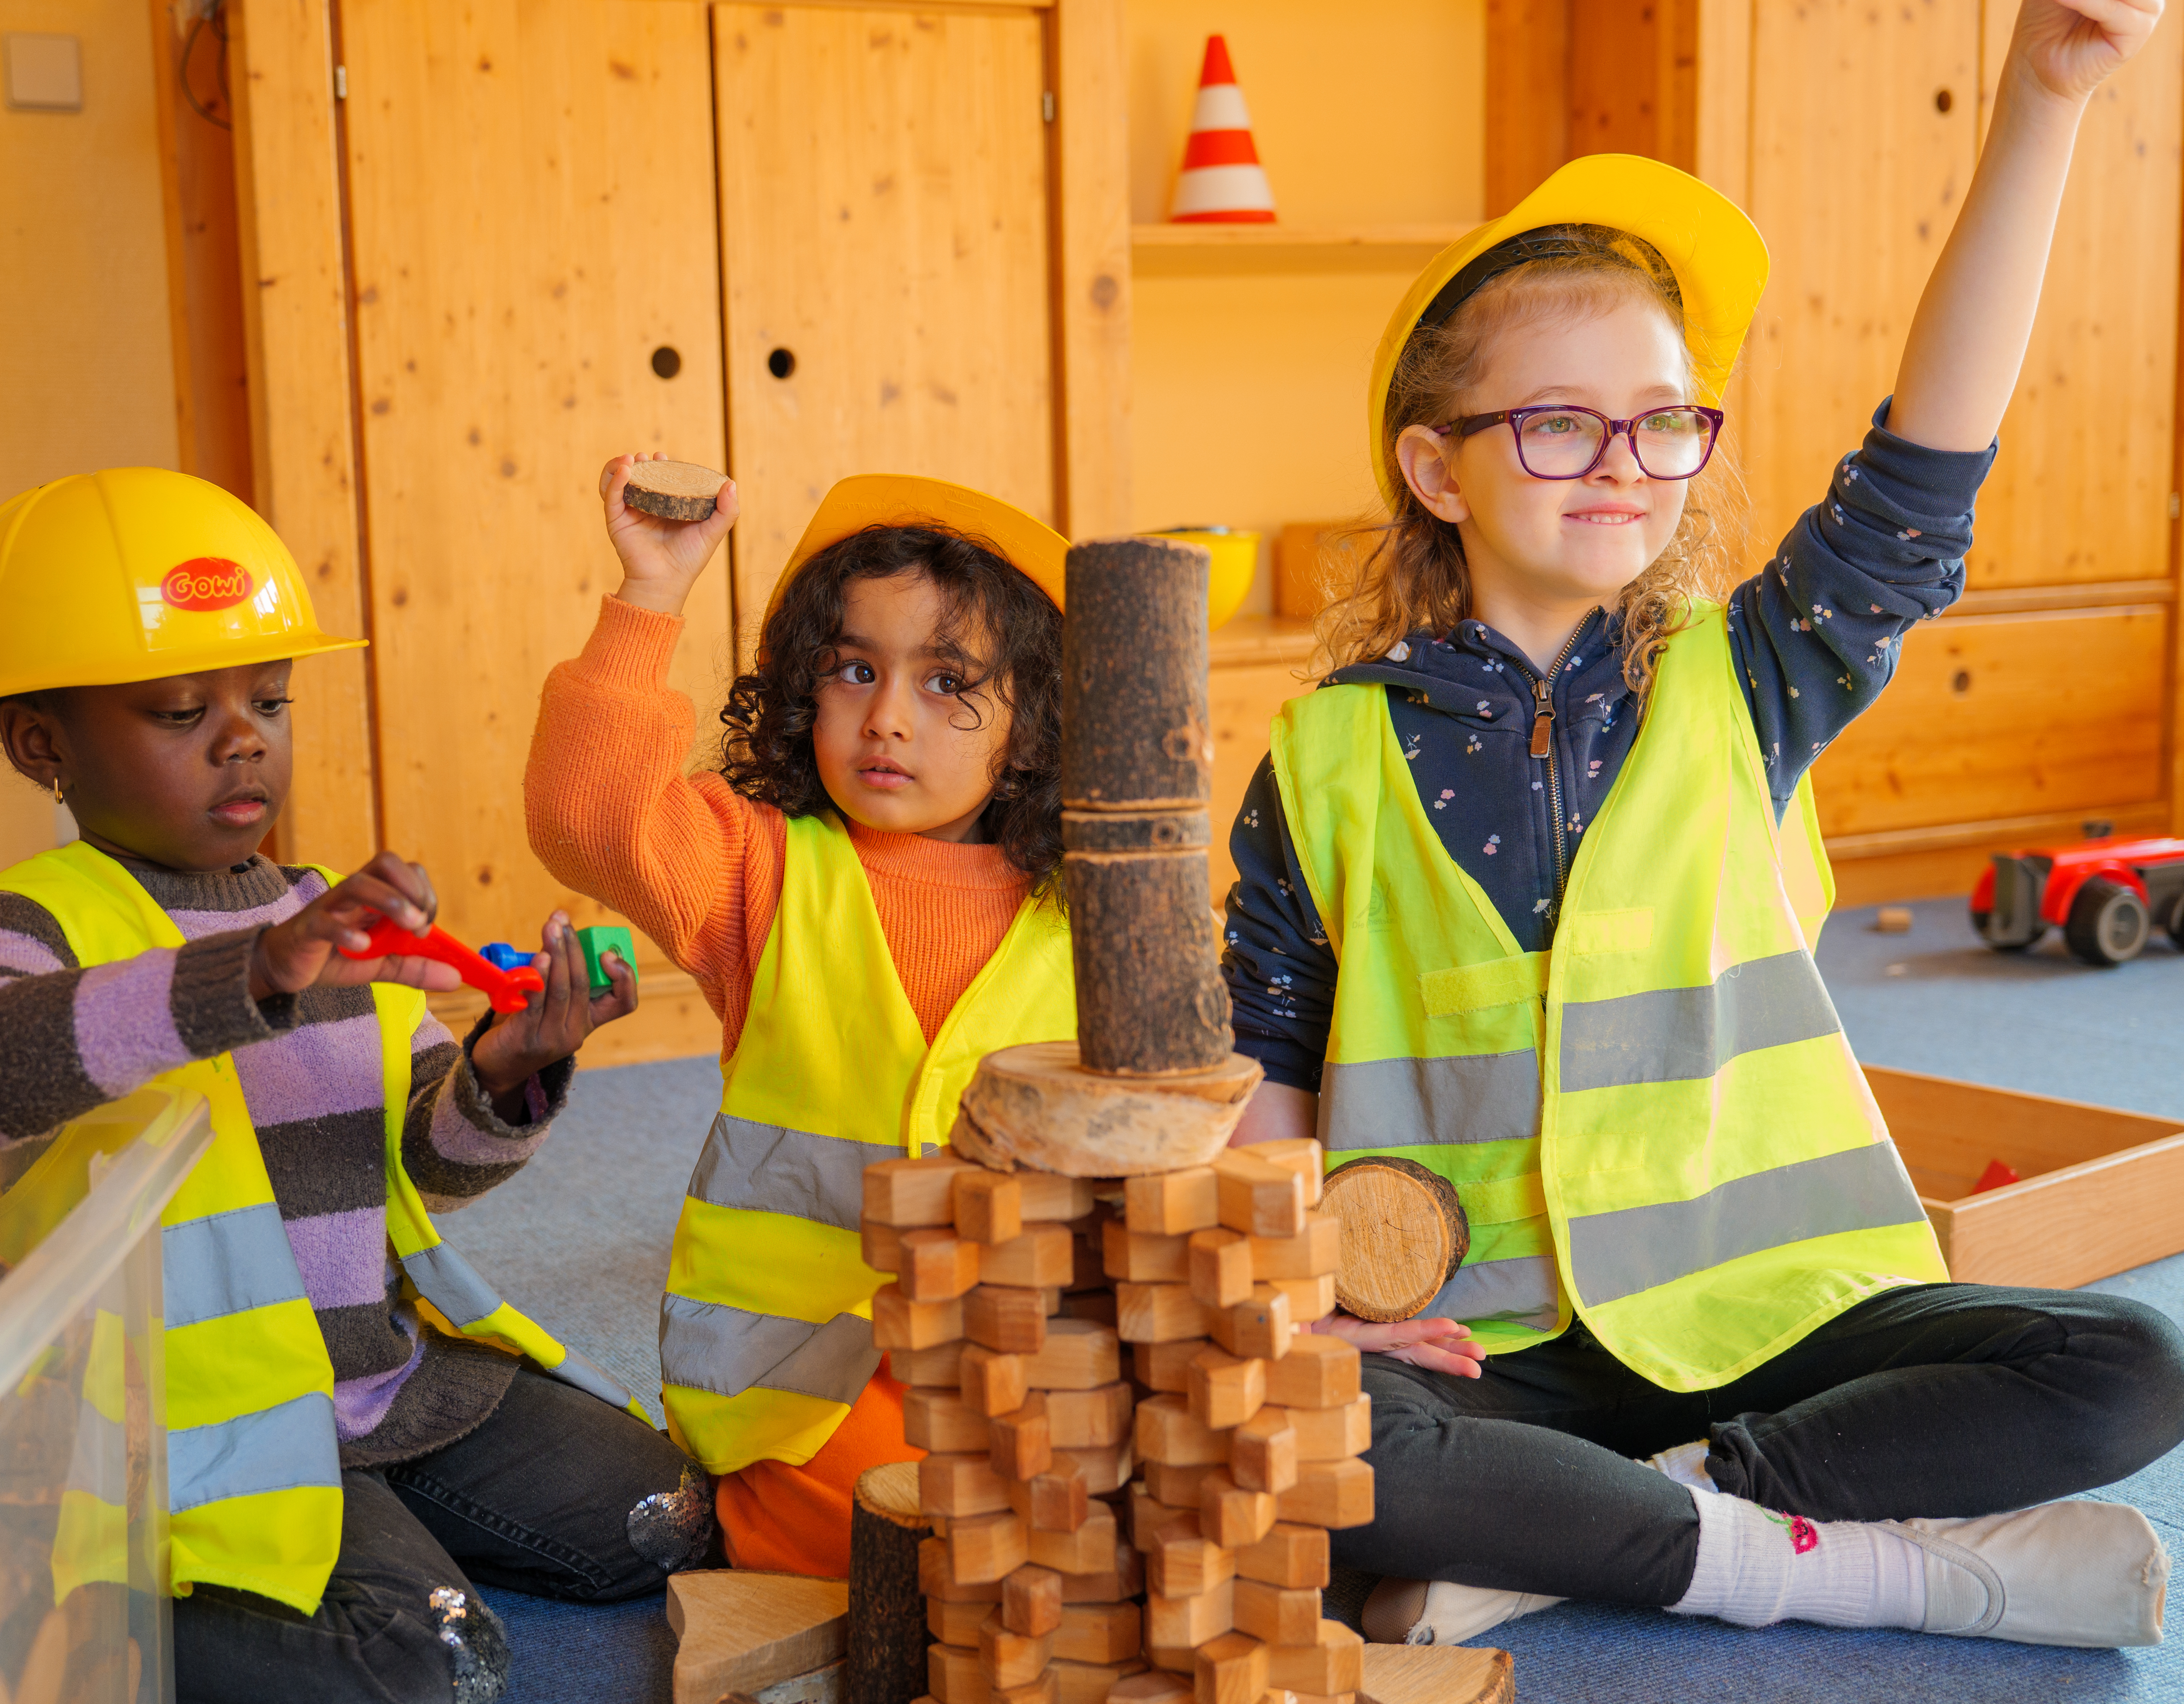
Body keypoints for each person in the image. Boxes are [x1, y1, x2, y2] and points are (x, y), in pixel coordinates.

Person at [1221, 0, 2184, 1651]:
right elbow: (1269, 1077)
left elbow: (1920, 470)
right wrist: (1304, 1303)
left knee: (2133, 1360)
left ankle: (1630, 1519)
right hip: (1484, 1343)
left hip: (1771, 1310)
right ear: (1435, 470)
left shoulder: (1745, 680)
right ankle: (1788, 1549)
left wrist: (2041, 99)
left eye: (1666, 420)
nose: (1626, 463)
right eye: (1557, 421)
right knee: (1288, 1427)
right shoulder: (1321, 758)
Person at [0, 468, 709, 1704]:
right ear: (40, 745)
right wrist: (252, 976)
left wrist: (517, 1058)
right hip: (203, 1432)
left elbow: (427, 1153)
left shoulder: (313, 905)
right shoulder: (38, 918)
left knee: (666, 1518)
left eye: (269, 700)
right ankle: (89, 1606)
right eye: (181, 710)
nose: (244, 739)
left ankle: (368, 1520)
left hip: (380, 1380)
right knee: (427, 1667)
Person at [525, 459, 1073, 1574]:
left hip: (1023, 1351)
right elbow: (588, 819)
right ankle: (772, 1523)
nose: (885, 720)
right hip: (801, 1372)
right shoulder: (761, 865)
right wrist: (652, 594)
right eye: (853, 671)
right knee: (943, 1532)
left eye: (946, 683)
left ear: (1031, 723)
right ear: (800, 691)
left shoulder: (1089, 907)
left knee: (1140, 1498)